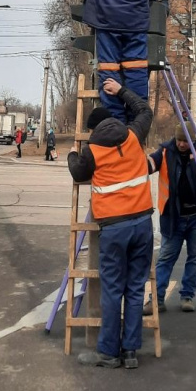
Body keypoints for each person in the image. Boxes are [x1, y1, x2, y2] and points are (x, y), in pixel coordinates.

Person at [68, 78, 154, 369]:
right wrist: (121, 91)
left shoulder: (92, 151)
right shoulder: (133, 136)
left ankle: (108, 352)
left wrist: (72, 152)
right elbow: (145, 110)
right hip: (143, 222)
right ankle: (130, 352)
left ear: (93, 131)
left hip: (115, 228)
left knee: (113, 288)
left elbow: (78, 173)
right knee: (135, 288)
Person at [143, 124, 196, 315]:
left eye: (185, 141)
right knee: (165, 259)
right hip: (173, 217)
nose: (181, 144)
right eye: (179, 140)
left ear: (192, 140)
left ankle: (187, 296)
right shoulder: (164, 152)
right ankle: (157, 300)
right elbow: (148, 166)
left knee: (195, 258)